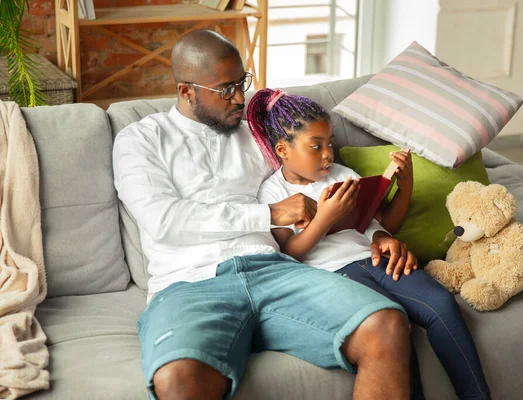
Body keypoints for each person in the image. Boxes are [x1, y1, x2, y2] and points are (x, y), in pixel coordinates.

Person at [112, 29, 414, 400]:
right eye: (225, 90)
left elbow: (318, 171)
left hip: (277, 271)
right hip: (190, 284)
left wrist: (376, 223)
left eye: (242, 83)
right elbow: (165, 221)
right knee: (178, 378)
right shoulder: (140, 139)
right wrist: (268, 213)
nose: (240, 97)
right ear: (186, 91)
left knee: (386, 324)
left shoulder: (256, 137)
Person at [250, 88, 492, 400]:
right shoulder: (272, 194)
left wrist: (399, 197)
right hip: (335, 274)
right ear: (283, 150)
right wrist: (324, 217)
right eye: (316, 146)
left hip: (374, 257)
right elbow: (289, 253)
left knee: (441, 304)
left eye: (330, 144)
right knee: (395, 327)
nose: (328, 154)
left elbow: (380, 224)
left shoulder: (342, 174)